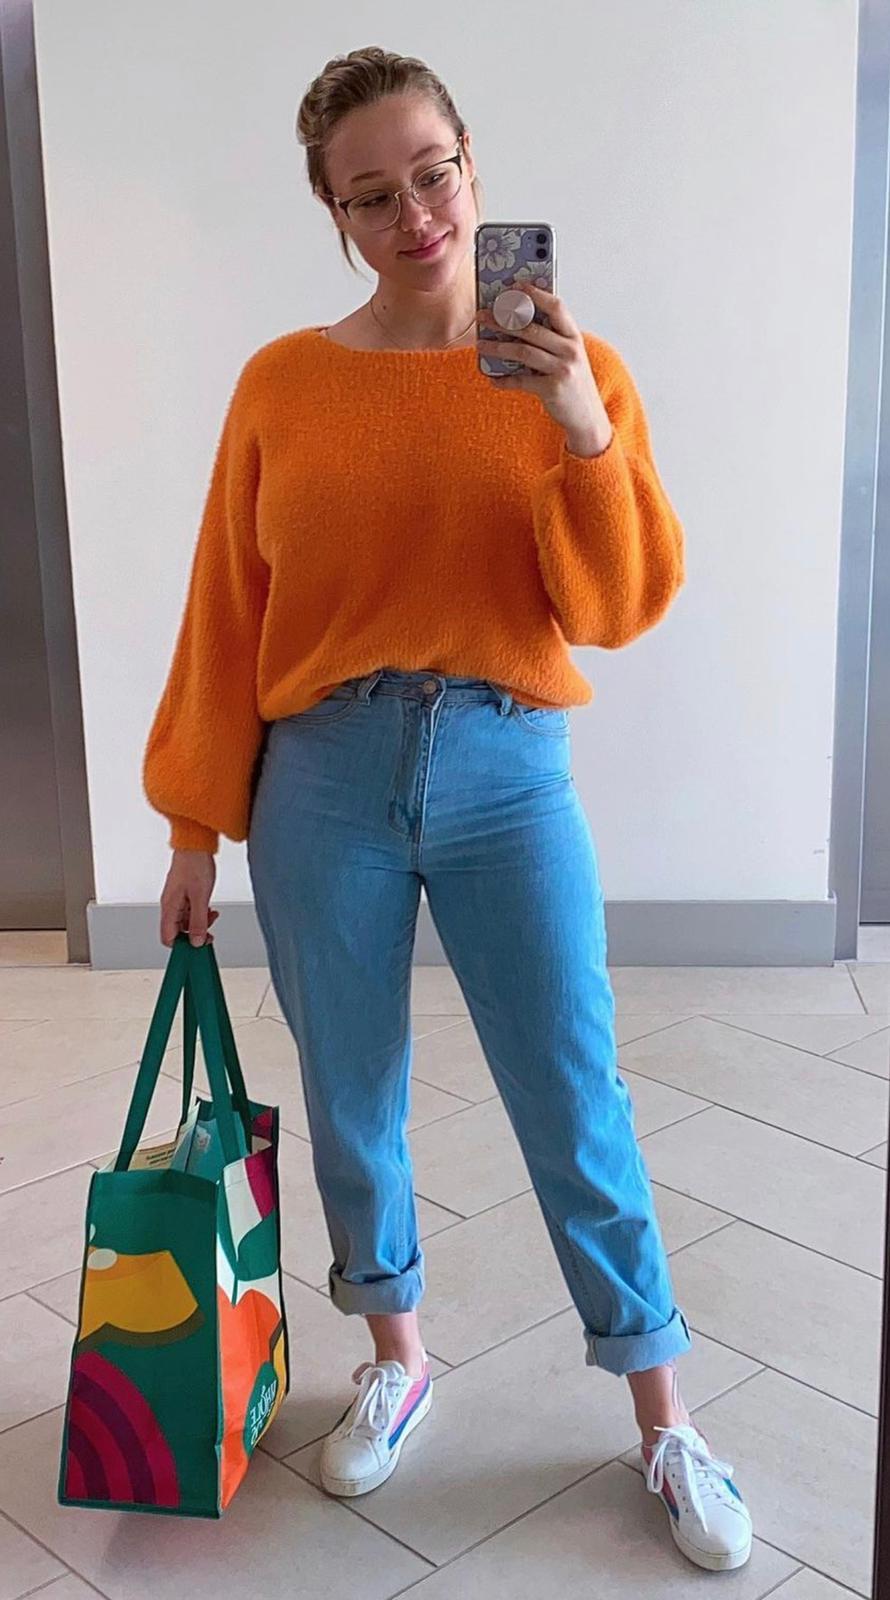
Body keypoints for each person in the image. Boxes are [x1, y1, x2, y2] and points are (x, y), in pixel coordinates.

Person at [144, 45, 753, 1574]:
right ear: (333, 215)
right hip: (320, 778)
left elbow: (617, 608)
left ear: (471, 165)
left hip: (506, 764)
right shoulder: (283, 383)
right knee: (351, 1099)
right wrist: (192, 828)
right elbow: (225, 608)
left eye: (432, 174)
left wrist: (581, 426)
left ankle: (663, 1414)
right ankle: (399, 1357)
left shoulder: (567, 368)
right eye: (370, 196)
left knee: (574, 1096)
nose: (413, 214)